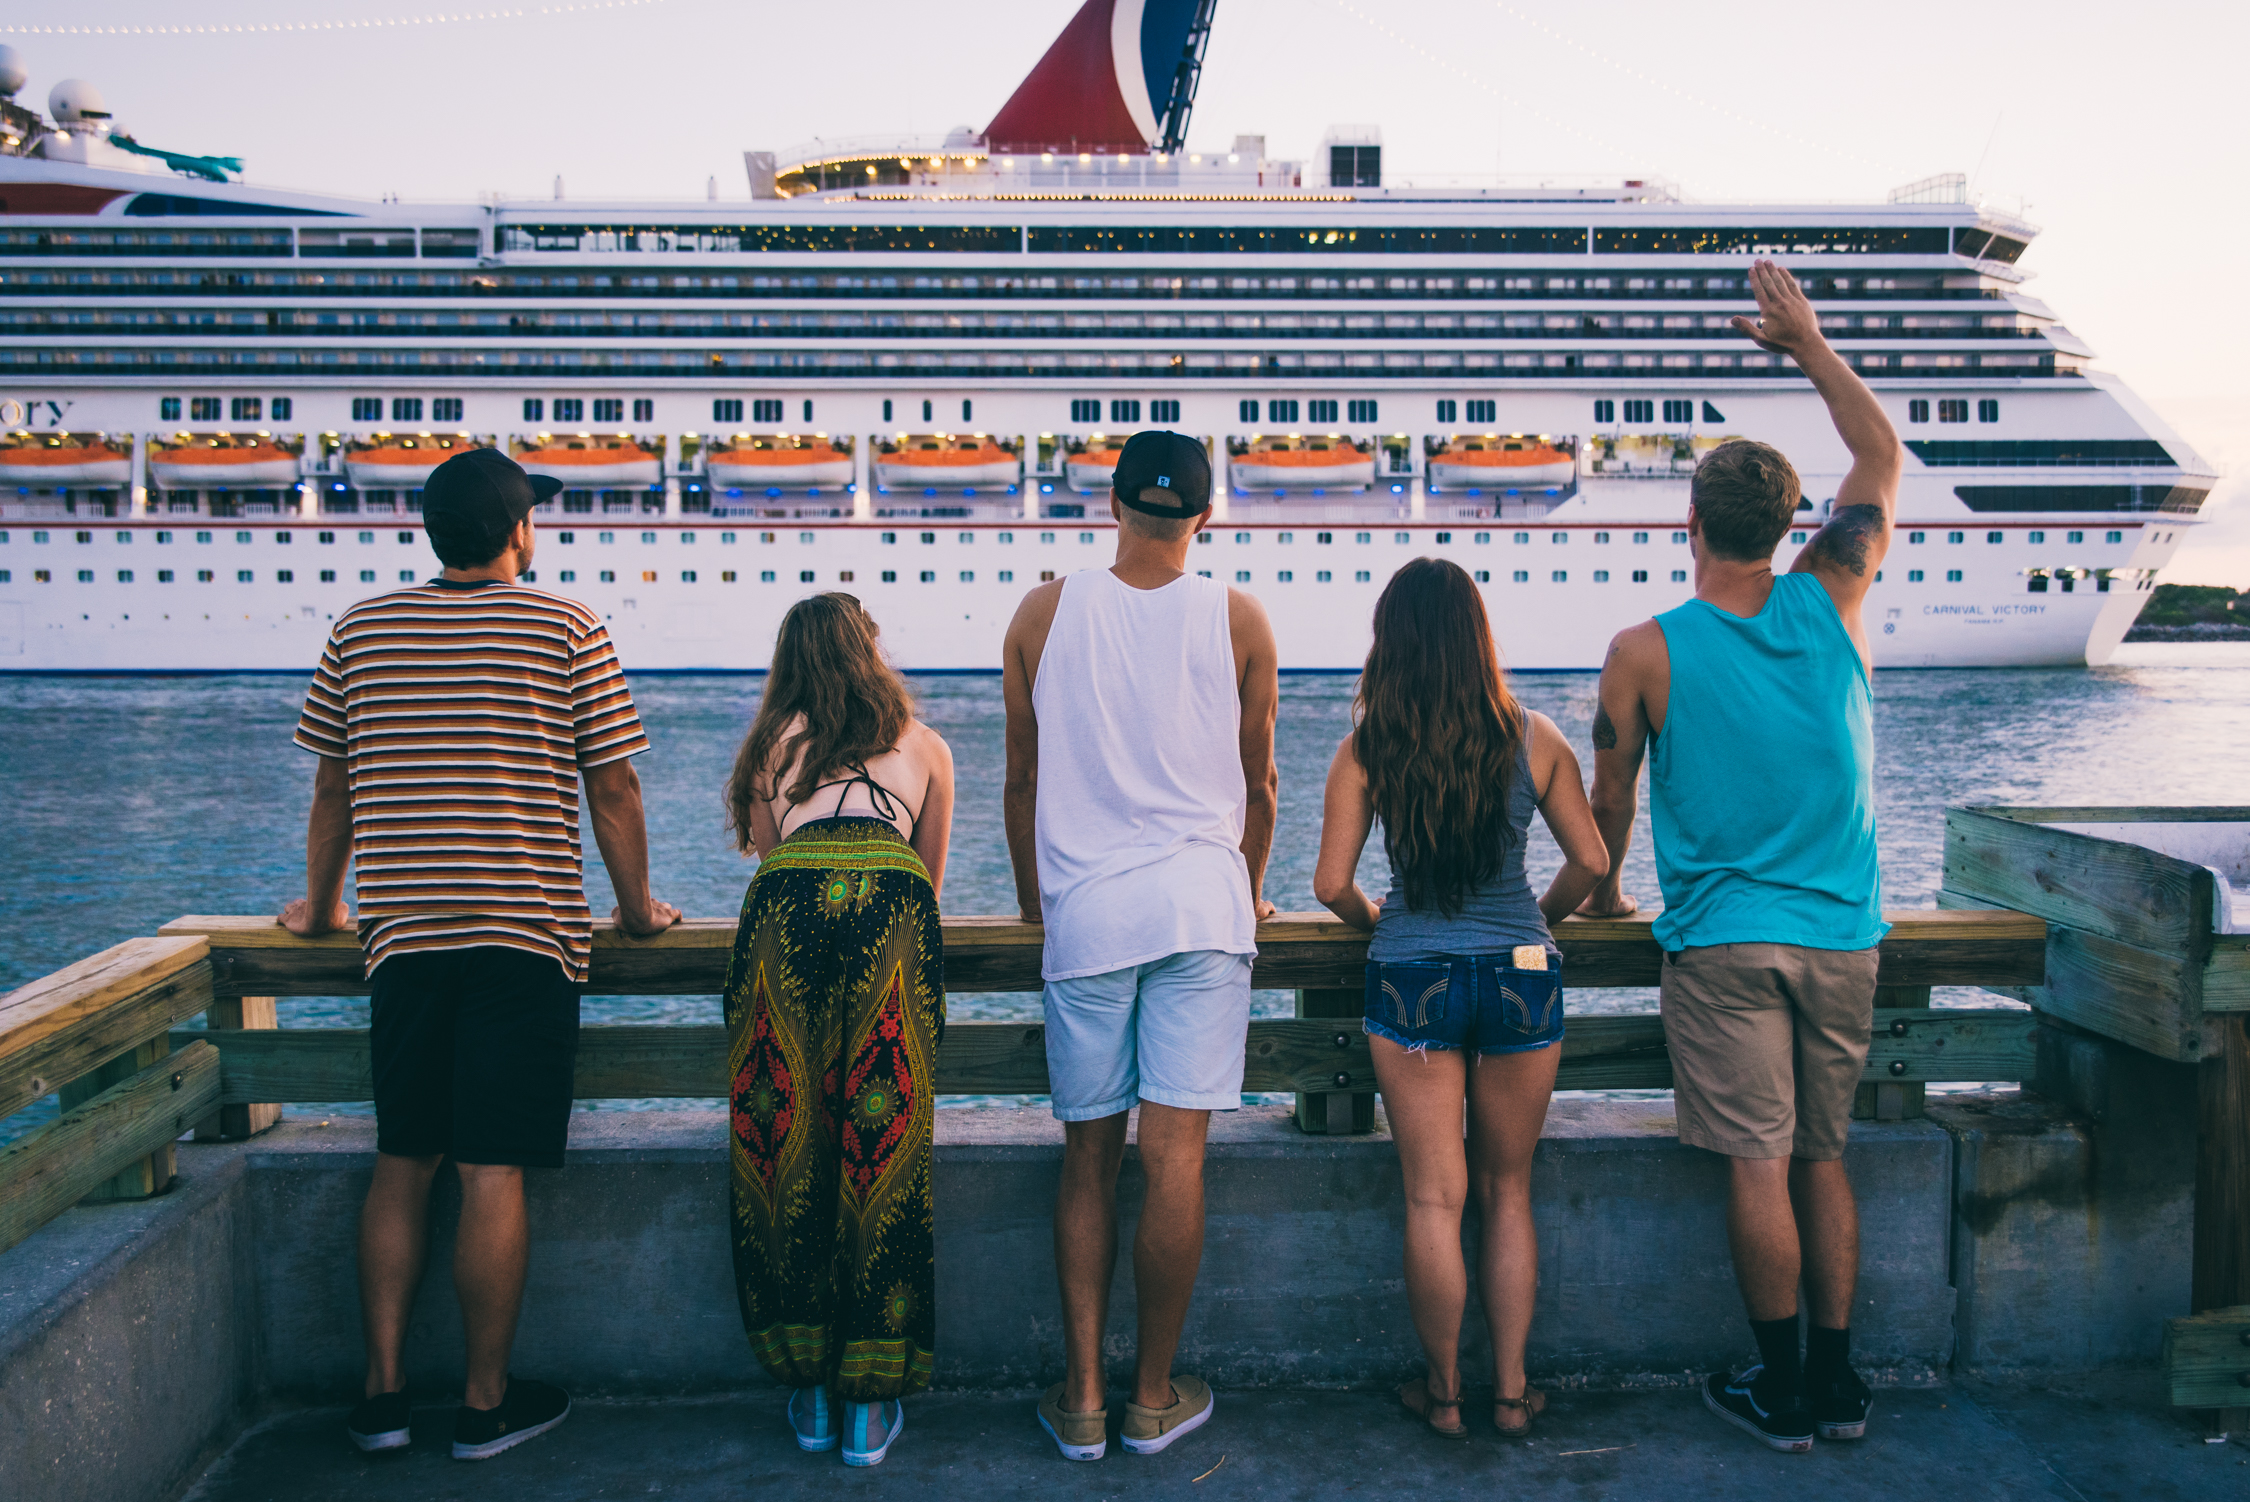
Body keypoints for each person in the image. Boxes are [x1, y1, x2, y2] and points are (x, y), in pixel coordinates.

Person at [282, 446, 680, 1462]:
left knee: (403, 1159)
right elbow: (616, 788)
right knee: (491, 1168)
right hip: (524, 937)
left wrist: (320, 909)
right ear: (518, 530)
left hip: (404, 937)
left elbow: (332, 790)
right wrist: (636, 911)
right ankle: (483, 1404)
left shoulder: (360, 629)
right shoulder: (567, 625)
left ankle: (378, 1398)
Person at [1580, 258, 1900, 1452]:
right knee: (1824, 1156)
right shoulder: (1834, 592)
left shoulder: (1646, 647)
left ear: (1691, 523)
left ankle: (1778, 1392)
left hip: (1723, 943)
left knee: (1757, 1165)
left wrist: (1606, 893)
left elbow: (1608, 802)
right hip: (1846, 936)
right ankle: (1840, 1381)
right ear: (1790, 526)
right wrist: (1808, 345)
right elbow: (1879, 462)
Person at [1001, 430, 1279, 1463]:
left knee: (1087, 1156)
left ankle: (1079, 1399)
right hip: (1203, 911)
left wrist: (1040, 908)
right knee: (1175, 1163)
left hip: (1088, 913)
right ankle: (1153, 1396)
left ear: (1109, 503)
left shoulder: (1043, 609)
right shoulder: (1240, 615)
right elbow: (1259, 785)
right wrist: (1242, 892)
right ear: (1207, 516)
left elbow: (1022, 782)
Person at [1312, 557, 1607, 1441]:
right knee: (1507, 1191)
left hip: (1412, 972)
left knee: (1433, 1200)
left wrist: (1385, 924)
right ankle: (1511, 1398)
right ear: (1478, 637)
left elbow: (1331, 883)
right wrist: (1534, 925)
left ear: (1389, 642)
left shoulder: (1370, 744)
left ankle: (1443, 1398)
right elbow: (1592, 863)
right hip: (1520, 967)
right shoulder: (1532, 733)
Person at [720, 593, 954, 1469]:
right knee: (881, 1147)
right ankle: (871, 1403)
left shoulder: (768, 748)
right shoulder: (926, 746)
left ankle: (810, 1391)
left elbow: (763, 845)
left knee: (783, 1145)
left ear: (788, 661)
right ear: (872, 652)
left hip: (783, 918)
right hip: (891, 914)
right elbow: (926, 878)